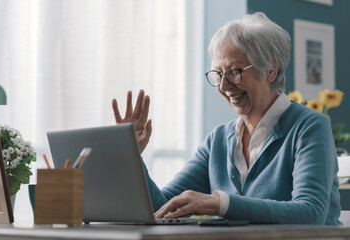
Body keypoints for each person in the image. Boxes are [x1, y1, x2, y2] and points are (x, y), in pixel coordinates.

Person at [111, 12, 341, 225]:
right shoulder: (218, 140)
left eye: (234, 72)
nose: (223, 85)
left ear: (271, 69)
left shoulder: (309, 127)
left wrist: (221, 204)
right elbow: (164, 207)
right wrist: (131, 153)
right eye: (218, 74)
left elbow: (310, 213)